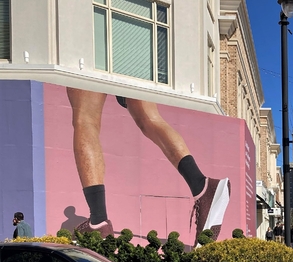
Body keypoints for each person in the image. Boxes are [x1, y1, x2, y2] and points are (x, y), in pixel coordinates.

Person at [66, 88, 230, 243]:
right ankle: (202, 186)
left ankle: (98, 222)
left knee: (86, 120)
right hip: (137, 59)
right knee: (150, 119)